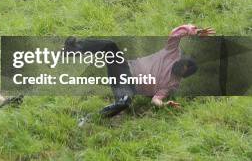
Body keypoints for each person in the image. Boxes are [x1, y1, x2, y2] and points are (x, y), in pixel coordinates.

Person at [64, 24, 215, 117]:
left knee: (124, 103)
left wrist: (164, 105)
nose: (182, 67)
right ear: (183, 60)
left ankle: (93, 117)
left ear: (185, 74)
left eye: (185, 70)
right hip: (124, 68)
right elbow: (176, 34)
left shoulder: (172, 84)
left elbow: (156, 99)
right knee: (110, 45)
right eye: (184, 64)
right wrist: (194, 31)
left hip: (128, 85)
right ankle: (73, 48)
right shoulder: (172, 53)